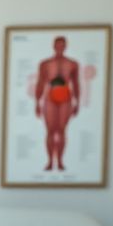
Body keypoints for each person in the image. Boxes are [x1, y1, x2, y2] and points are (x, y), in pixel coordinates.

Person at [33, 36, 80, 172]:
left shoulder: (72, 64)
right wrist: (37, 102)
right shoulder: (45, 63)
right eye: (57, 45)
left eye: (62, 45)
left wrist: (77, 102)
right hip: (50, 97)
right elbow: (40, 82)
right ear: (54, 46)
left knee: (62, 130)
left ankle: (59, 161)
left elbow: (76, 83)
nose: (60, 48)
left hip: (66, 97)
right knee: (50, 130)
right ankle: (49, 162)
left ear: (65, 46)